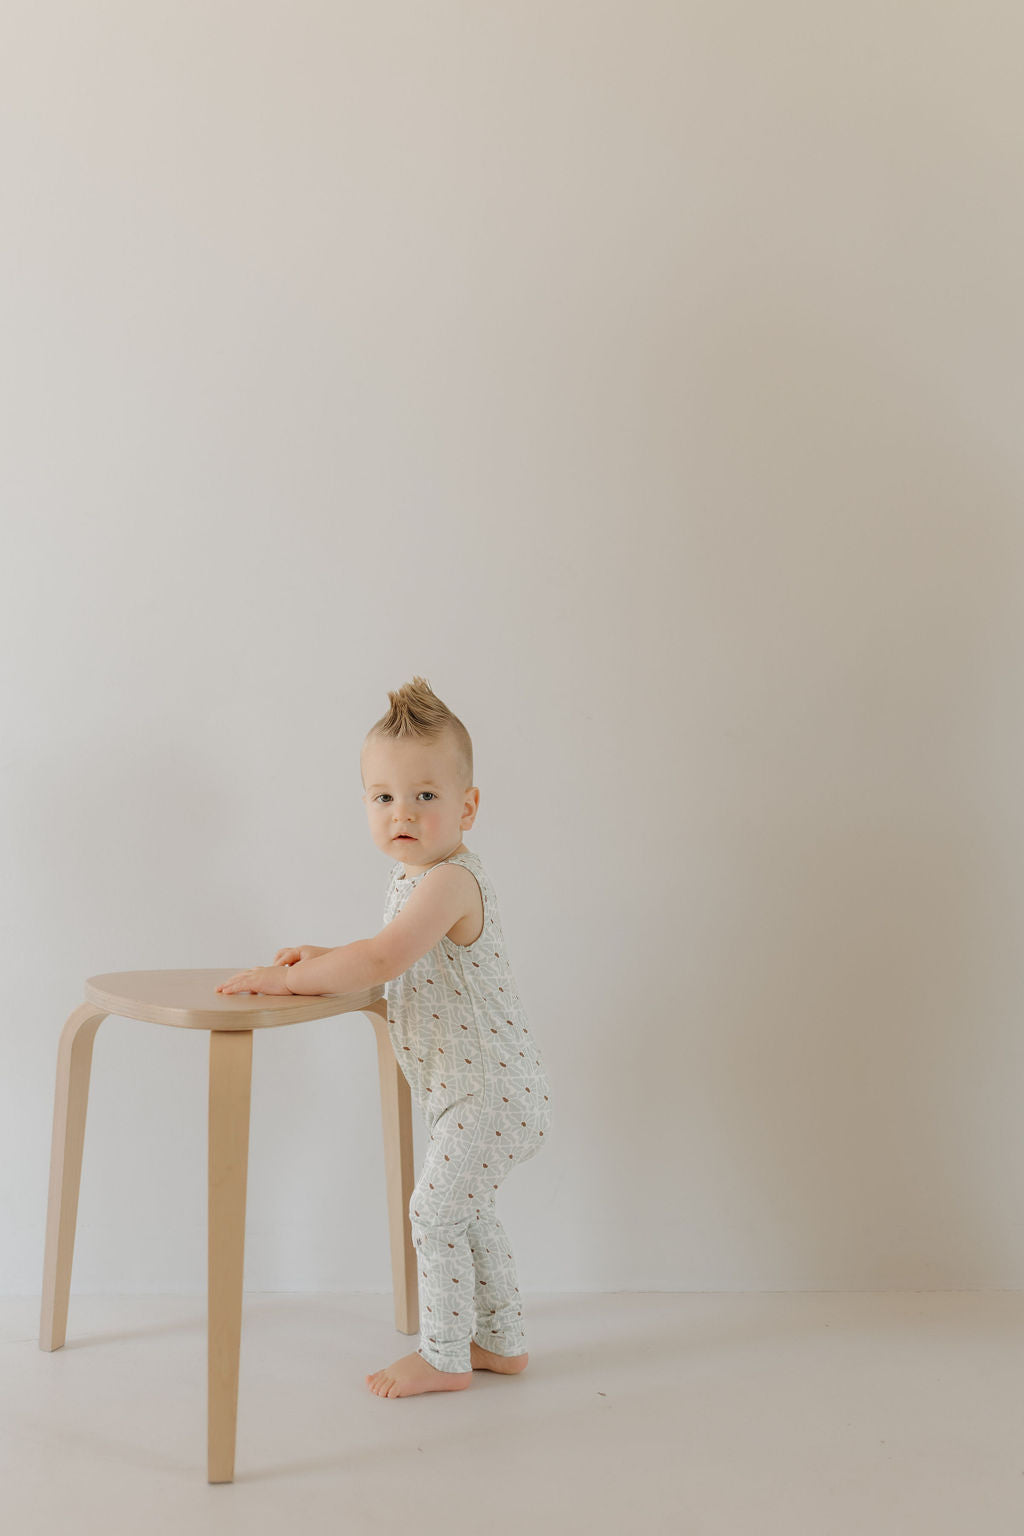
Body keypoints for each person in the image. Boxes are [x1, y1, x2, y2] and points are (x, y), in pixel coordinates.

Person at [216, 676, 553, 1398]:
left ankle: (443, 1355)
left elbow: (380, 960)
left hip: (488, 1091)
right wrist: (319, 956)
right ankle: (502, 1340)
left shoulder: (450, 883)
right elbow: (380, 948)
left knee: (433, 1215)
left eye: (426, 796)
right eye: (383, 797)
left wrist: (283, 982)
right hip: (472, 1091)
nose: (403, 812)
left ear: (468, 806)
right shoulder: (415, 881)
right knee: (470, 1209)